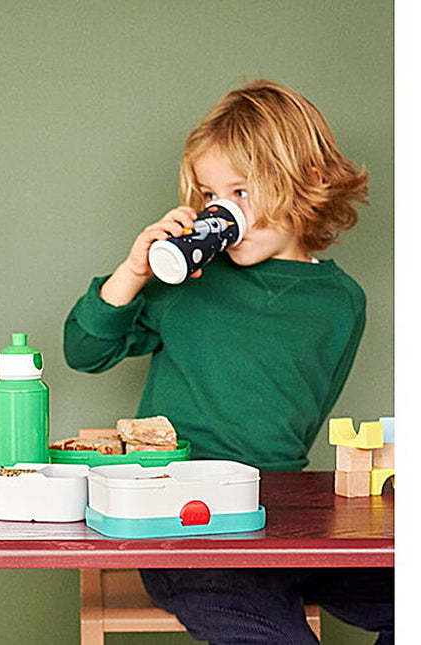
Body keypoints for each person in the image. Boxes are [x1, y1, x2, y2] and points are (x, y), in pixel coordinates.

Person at [63, 79, 393, 644]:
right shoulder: (188, 283)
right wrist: (135, 271)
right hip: (185, 523)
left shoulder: (341, 304)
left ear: (309, 180)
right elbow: (85, 351)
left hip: (284, 521)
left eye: (240, 192)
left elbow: (294, 422)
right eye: (210, 194)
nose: (220, 210)